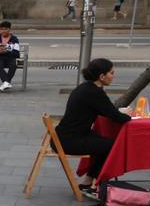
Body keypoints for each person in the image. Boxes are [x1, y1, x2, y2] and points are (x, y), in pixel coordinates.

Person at [55, 58, 133, 196]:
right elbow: (118, 118)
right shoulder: (95, 92)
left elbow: (107, 111)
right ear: (101, 76)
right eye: (111, 73)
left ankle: (88, 182)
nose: (113, 76)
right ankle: (97, 185)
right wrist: (126, 114)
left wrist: (117, 112)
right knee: (112, 146)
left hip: (63, 136)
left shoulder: (85, 87)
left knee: (102, 142)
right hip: (69, 140)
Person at [0, 21, 21, 91]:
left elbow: (16, 53)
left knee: (13, 65)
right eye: (2, 29)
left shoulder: (14, 39)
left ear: (9, 29)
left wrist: (6, 51)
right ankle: (7, 82)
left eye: (5, 29)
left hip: (10, 58)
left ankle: (6, 82)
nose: (3, 31)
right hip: (0, 58)